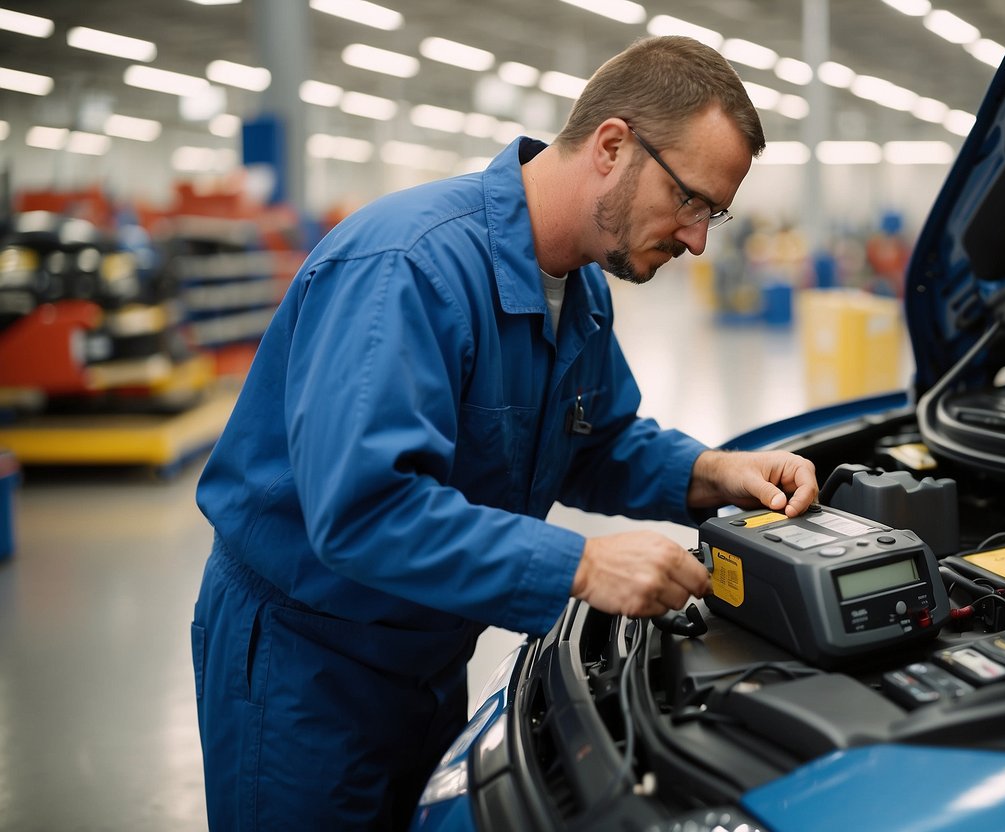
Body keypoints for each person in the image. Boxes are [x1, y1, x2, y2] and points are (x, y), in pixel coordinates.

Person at [191, 34, 819, 830]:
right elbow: (364, 510)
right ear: (612, 145)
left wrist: (713, 471)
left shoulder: (579, 291)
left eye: (714, 214)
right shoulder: (408, 269)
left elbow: (595, 442)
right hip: (305, 665)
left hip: (424, 649)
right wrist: (581, 565)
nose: (697, 239)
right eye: (691, 201)